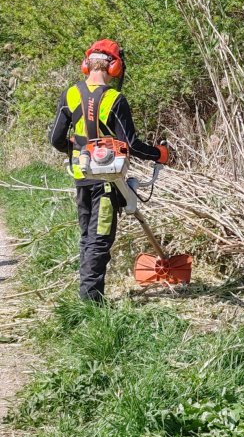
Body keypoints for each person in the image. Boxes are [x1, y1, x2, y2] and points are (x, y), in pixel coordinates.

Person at [49, 39, 169, 302]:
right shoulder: (115, 99)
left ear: (87, 64)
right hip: (106, 181)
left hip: (81, 177)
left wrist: (78, 148)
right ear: (114, 67)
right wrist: (159, 154)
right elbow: (131, 145)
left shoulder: (70, 94)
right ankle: (91, 302)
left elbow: (56, 139)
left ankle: (87, 298)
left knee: (87, 237)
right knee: (100, 239)